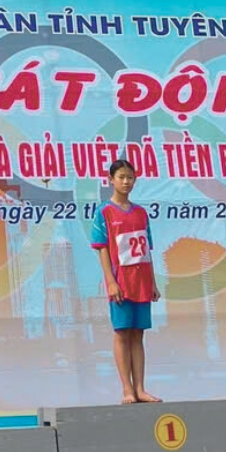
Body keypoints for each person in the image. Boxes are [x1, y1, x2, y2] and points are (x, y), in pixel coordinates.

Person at [89, 159, 159, 403]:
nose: (126, 181)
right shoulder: (104, 212)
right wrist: (111, 281)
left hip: (142, 280)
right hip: (121, 282)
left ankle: (140, 388)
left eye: (130, 177)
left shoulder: (141, 213)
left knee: (138, 334)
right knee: (122, 333)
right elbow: (103, 249)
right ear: (111, 179)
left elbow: (146, 249)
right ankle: (127, 389)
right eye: (121, 177)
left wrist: (153, 283)